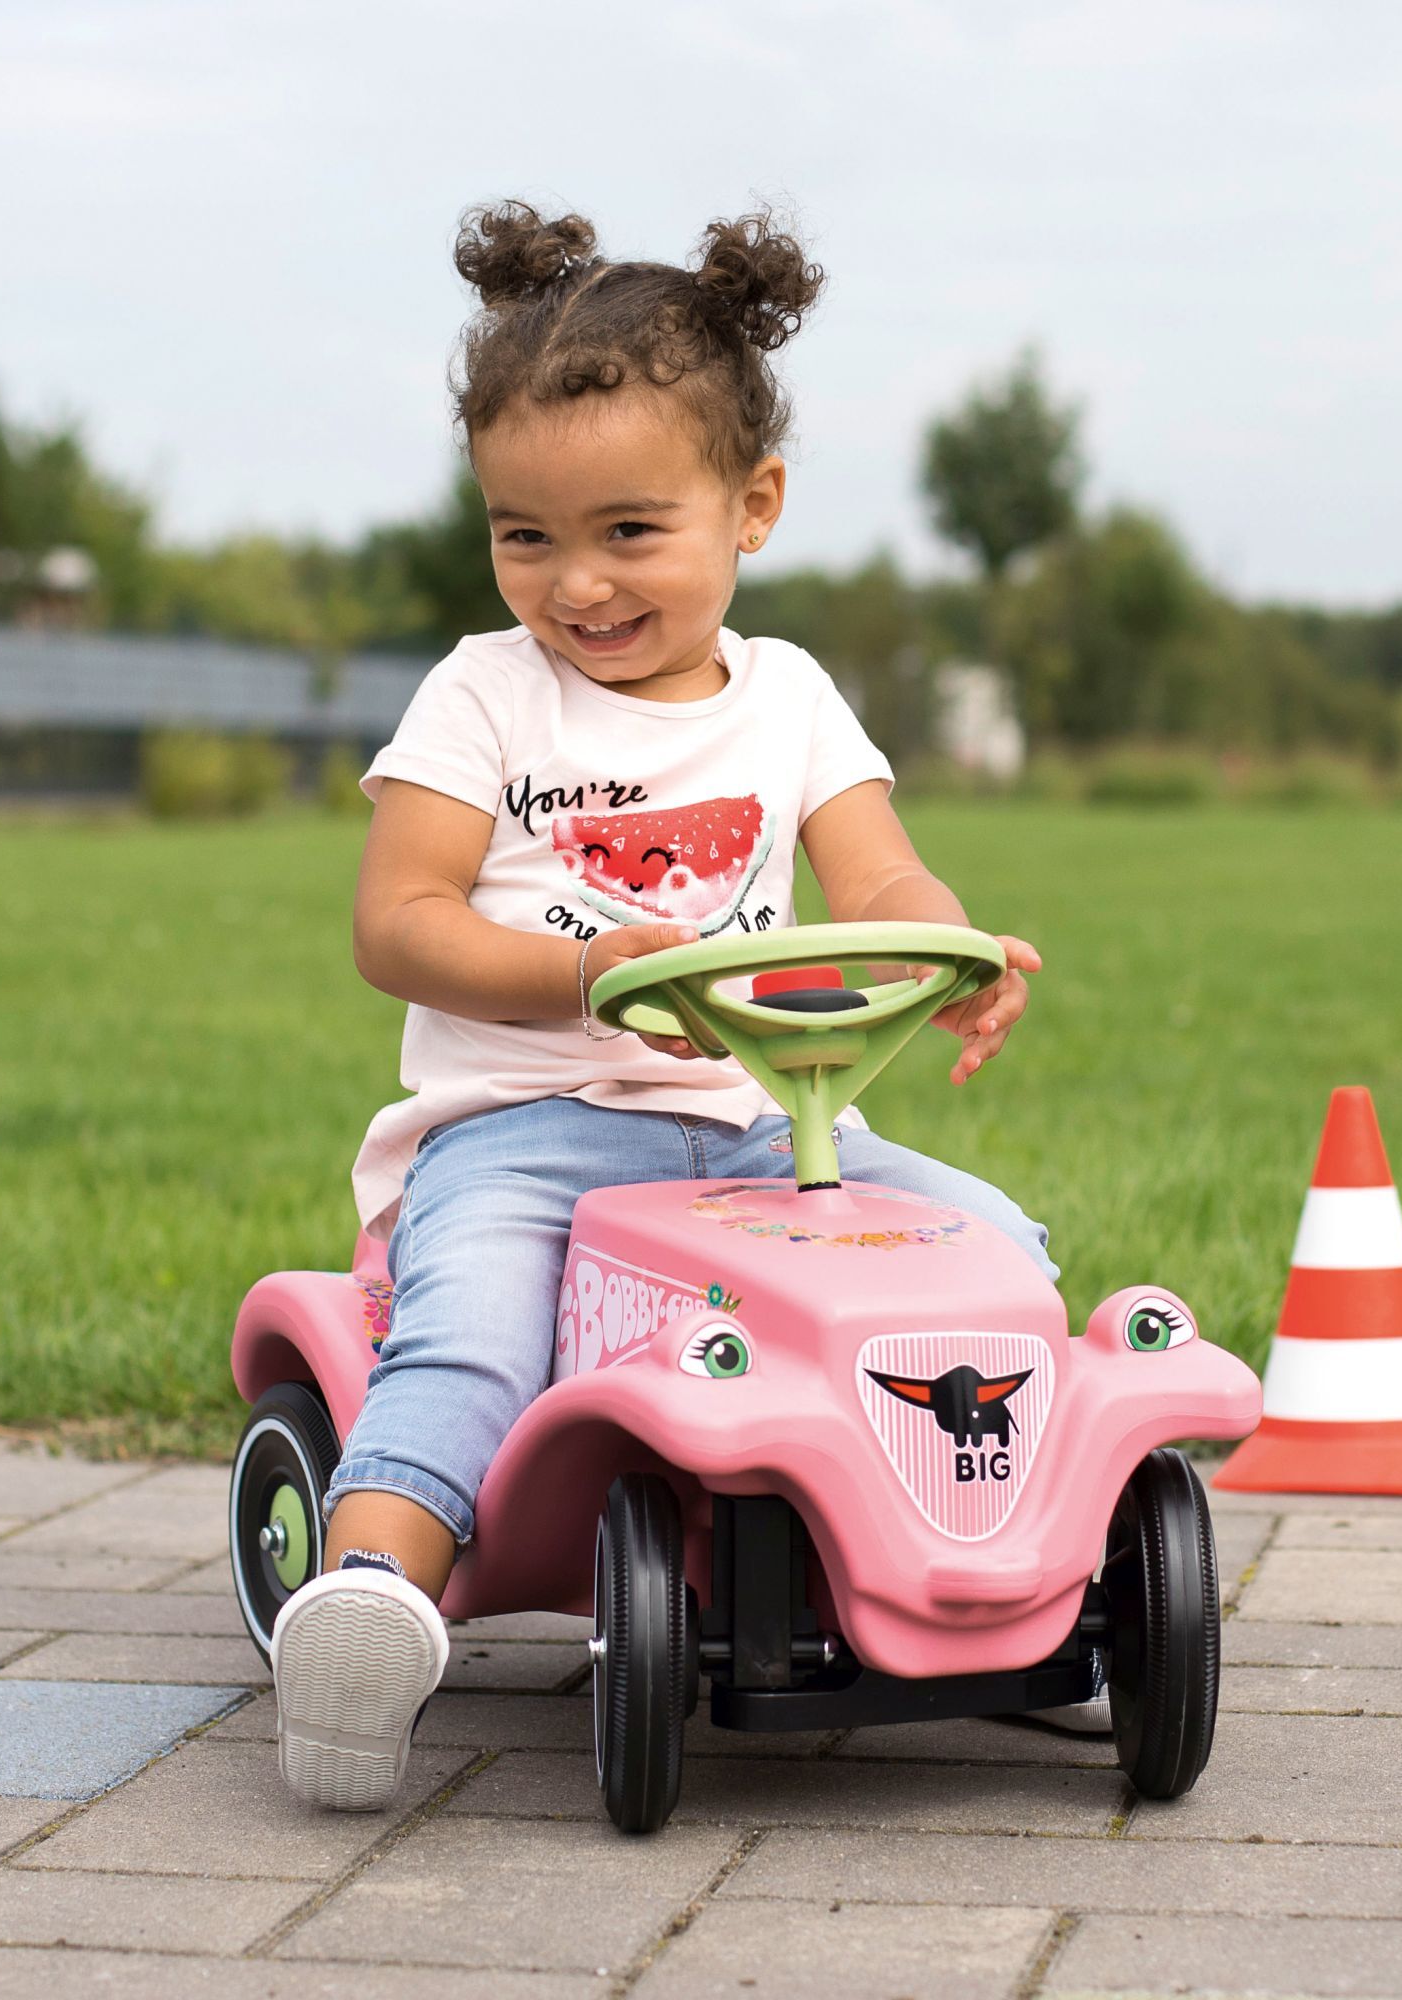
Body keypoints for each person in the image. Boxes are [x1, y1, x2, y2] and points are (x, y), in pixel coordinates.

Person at [270, 200, 1067, 1812]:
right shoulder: (486, 694)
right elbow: (397, 924)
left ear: (750, 504)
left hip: (760, 1131)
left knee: (992, 1254)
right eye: (524, 536)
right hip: (522, 1133)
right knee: (470, 1340)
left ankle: (994, 1565)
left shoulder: (790, 699)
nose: (576, 584)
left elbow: (883, 876)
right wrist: (584, 973)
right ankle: (366, 1606)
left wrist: (952, 953)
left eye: (629, 532)